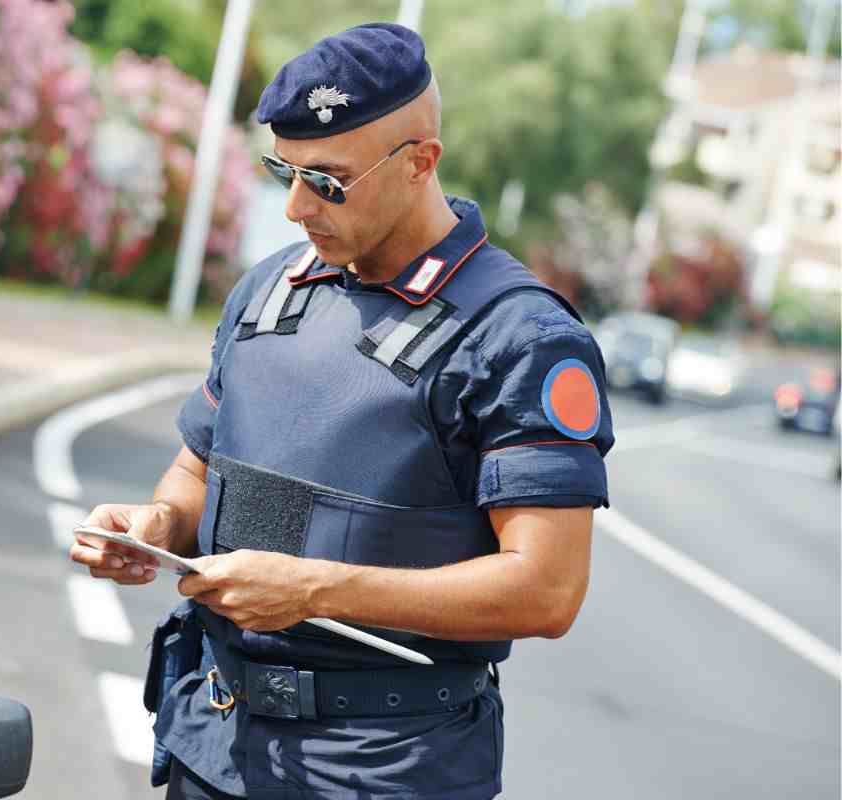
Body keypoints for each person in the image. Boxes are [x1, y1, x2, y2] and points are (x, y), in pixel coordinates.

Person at [70, 22, 614, 800]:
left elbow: (547, 590)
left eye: (327, 181)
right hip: (213, 741)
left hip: (385, 769)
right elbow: (198, 470)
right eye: (282, 172)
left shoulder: (518, 336)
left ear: (419, 162)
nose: (294, 207)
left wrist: (314, 591)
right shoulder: (268, 290)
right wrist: (157, 528)